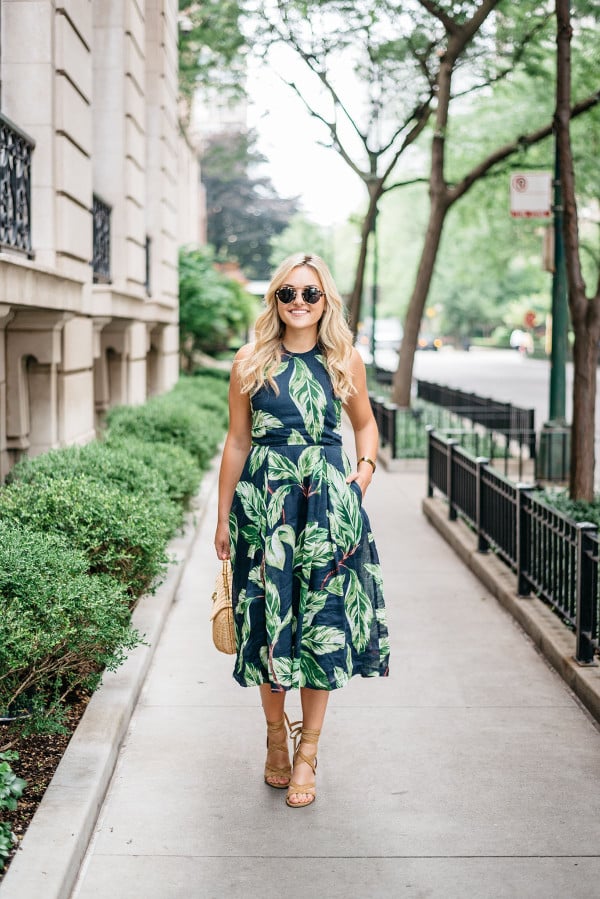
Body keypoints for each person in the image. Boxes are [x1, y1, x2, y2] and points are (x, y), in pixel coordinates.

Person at [214, 252, 390, 808]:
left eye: (309, 293)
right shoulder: (249, 361)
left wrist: (360, 480)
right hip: (263, 512)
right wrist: (222, 517)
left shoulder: (343, 359)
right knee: (270, 625)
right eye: (287, 293)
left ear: (325, 301)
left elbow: (364, 425)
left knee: (321, 627)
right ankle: (274, 738)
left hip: (326, 513)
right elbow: (237, 442)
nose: (298, 302)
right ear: (275, 299)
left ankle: (308, 754)